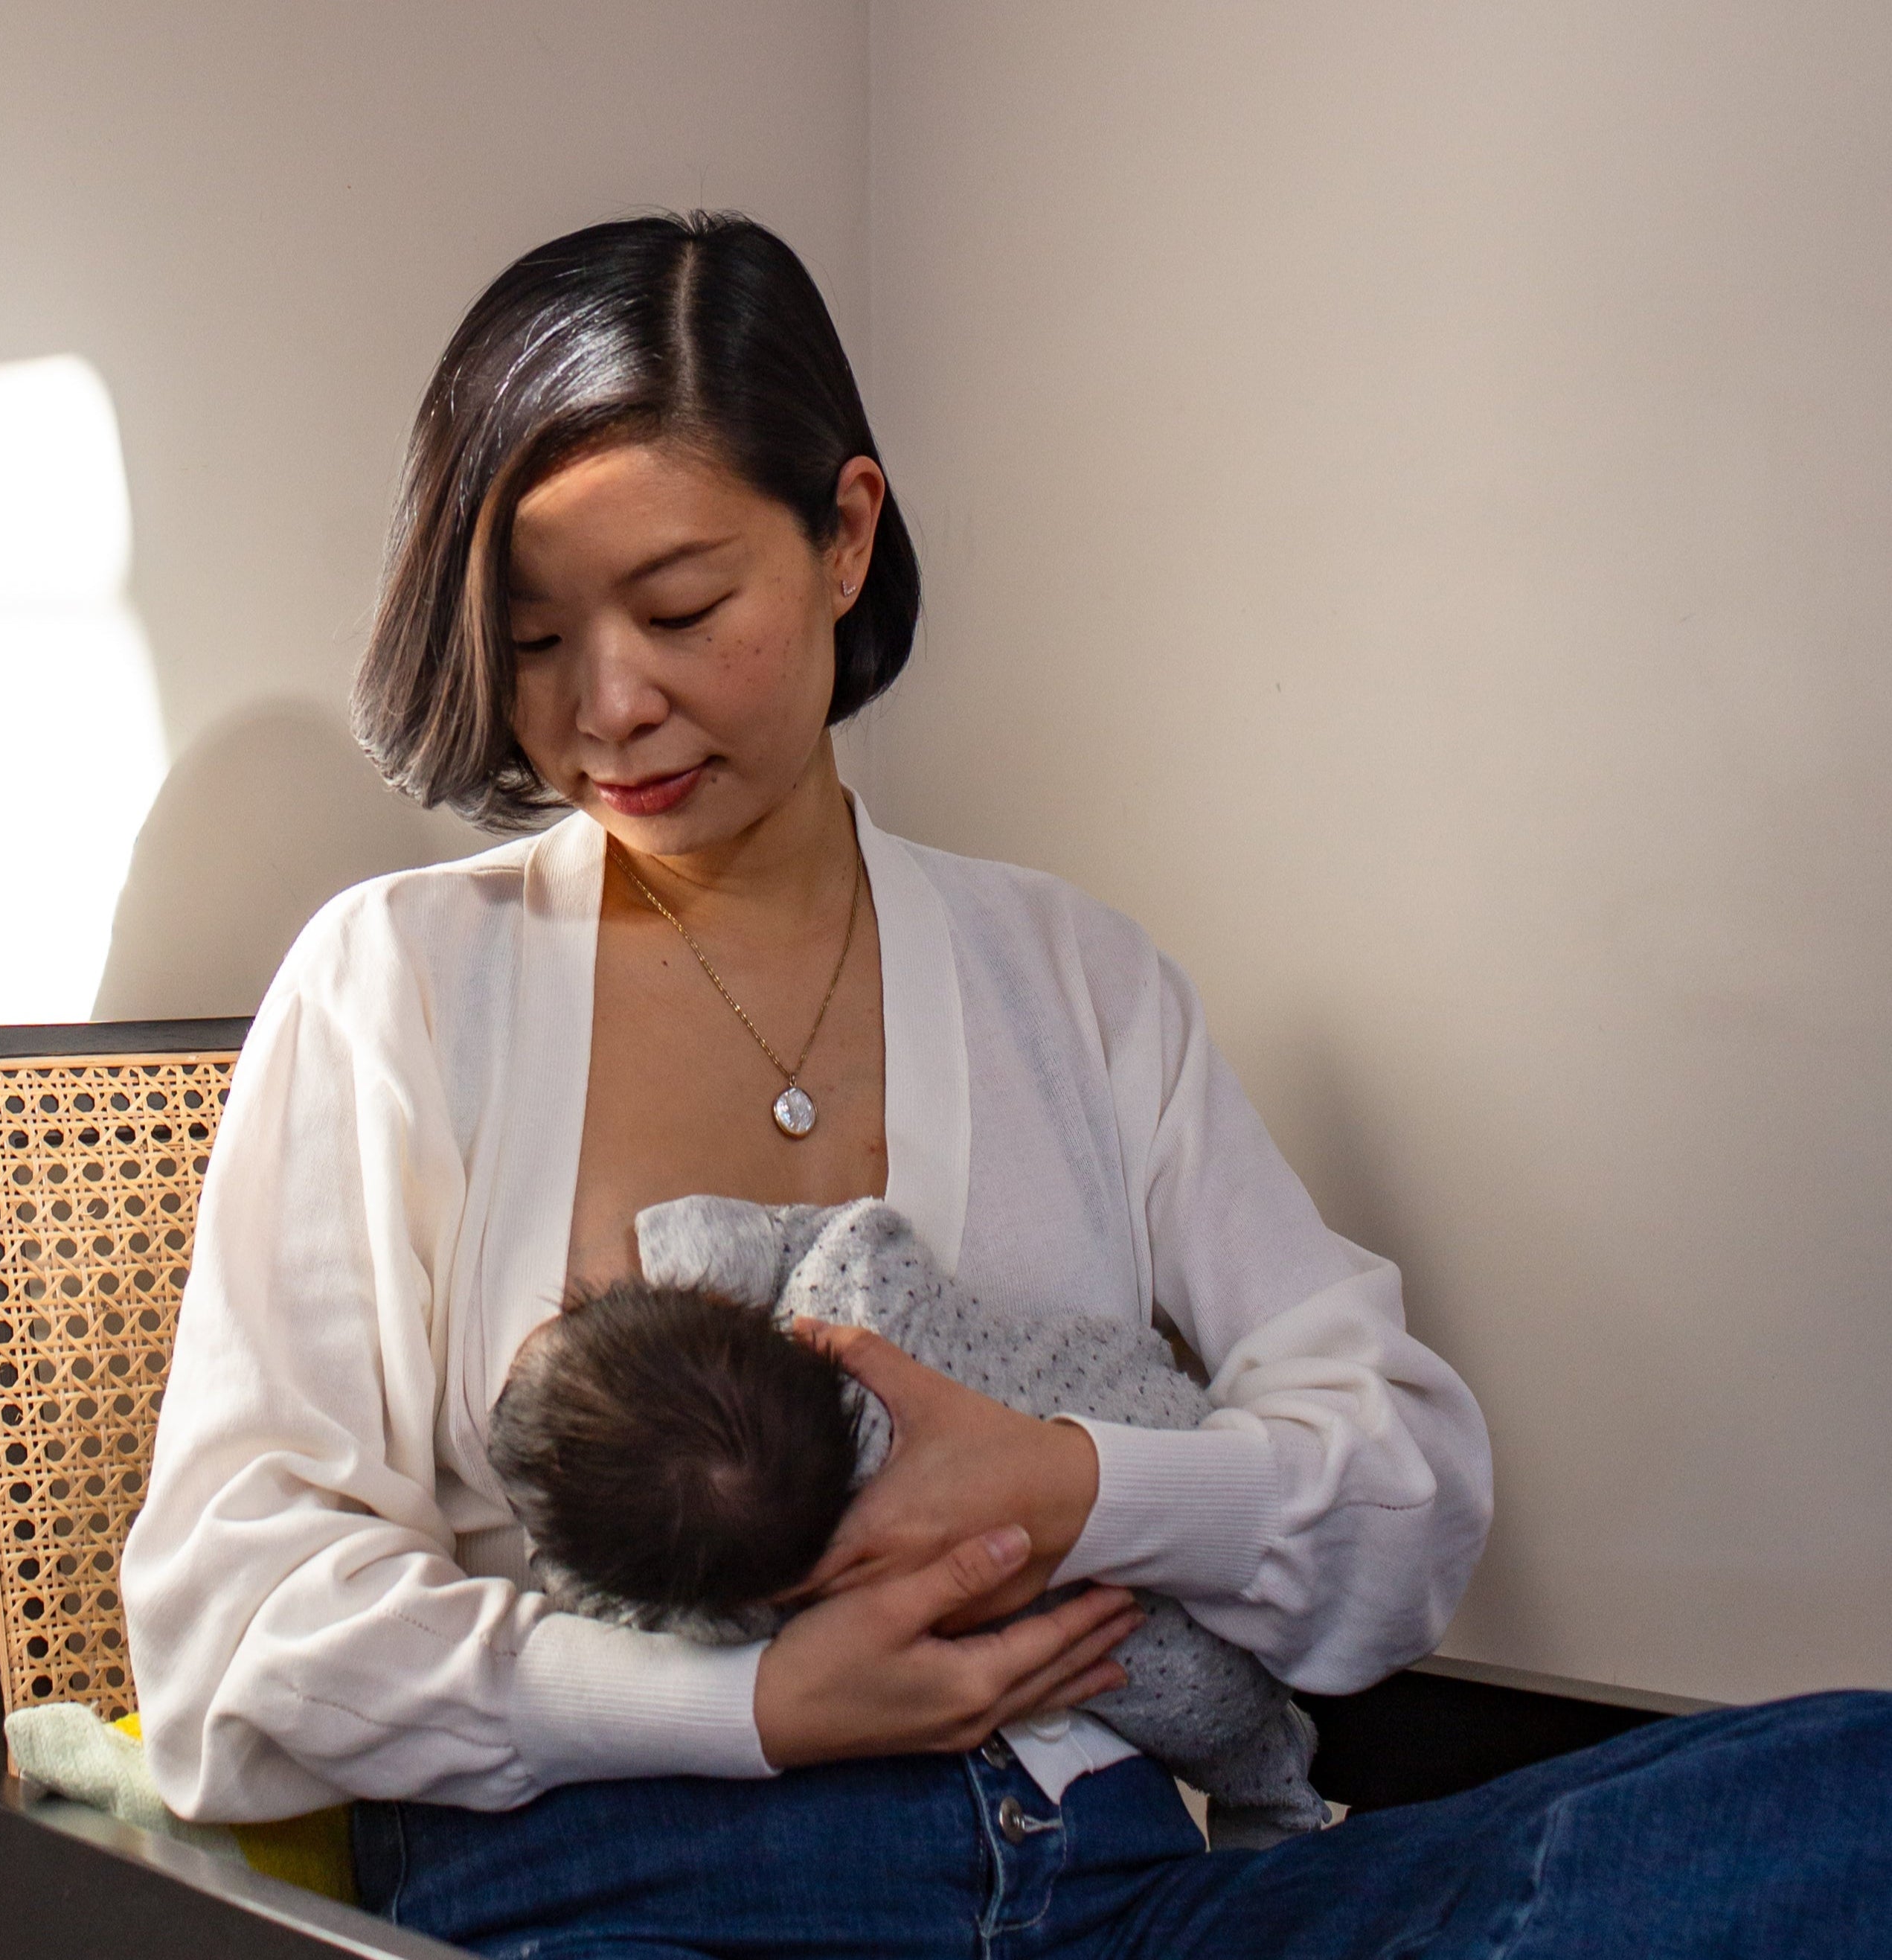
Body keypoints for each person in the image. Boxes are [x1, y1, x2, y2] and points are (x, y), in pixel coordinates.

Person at [124, 211, 1892, 1958]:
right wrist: (747, 1707)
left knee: (1846, 1795)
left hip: (1123, 1901)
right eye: (528, 642)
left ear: (843, 534)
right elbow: (232, 1632)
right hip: (638, 1902)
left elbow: (1398, 1502)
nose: (608, 705)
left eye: (679, 608)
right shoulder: (401, 985)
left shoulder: (1069, 977)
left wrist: (1071, 1488)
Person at [487, 1195, 1329, 1849]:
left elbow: (621, 1614)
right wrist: (678, 1254)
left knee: (1231, 1736)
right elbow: (827, 1228)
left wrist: (559, 1553)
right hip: (1179, 1440)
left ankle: (1278, 1804)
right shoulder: (858, 1284)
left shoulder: (762, 1606)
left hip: (1181, 1686)